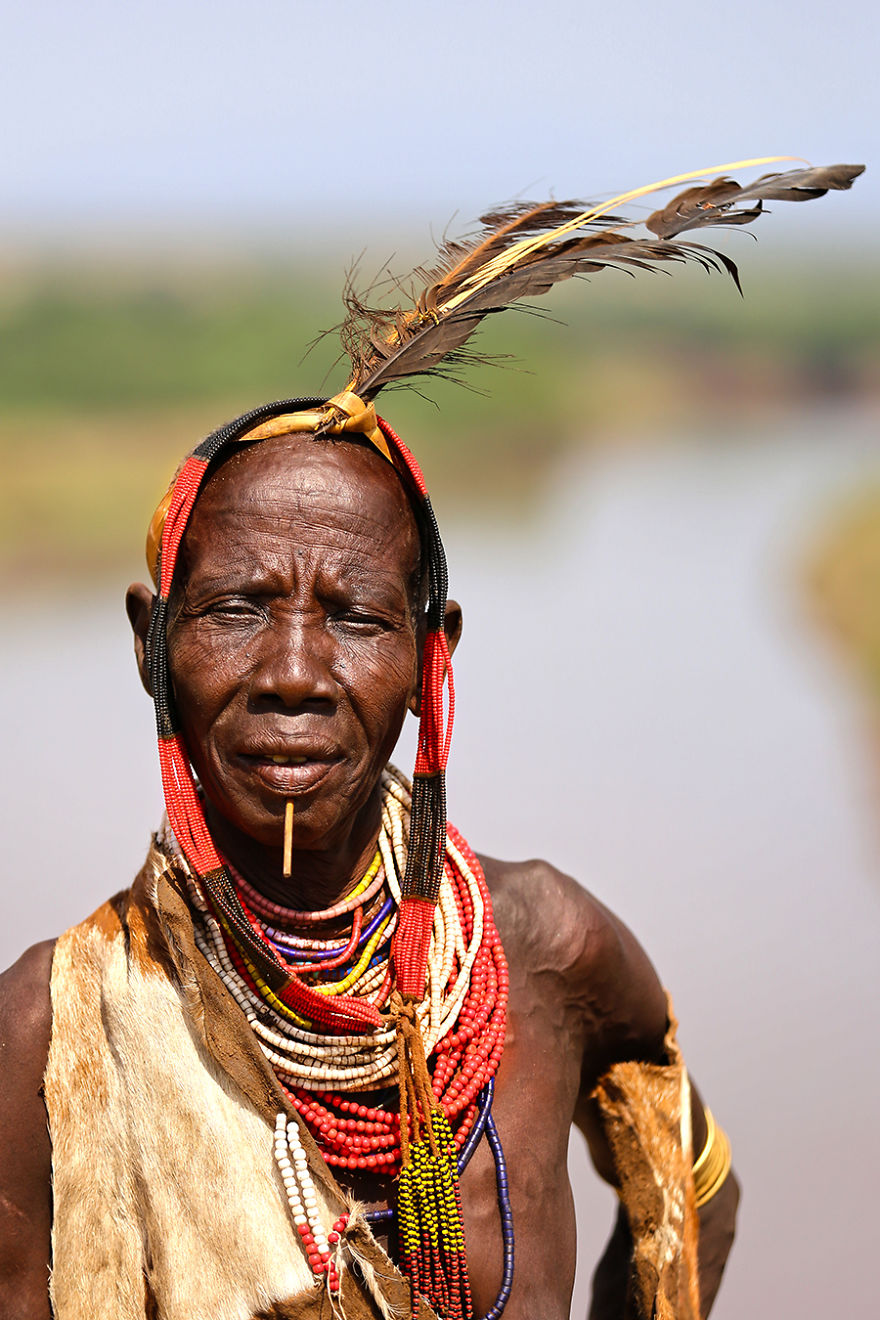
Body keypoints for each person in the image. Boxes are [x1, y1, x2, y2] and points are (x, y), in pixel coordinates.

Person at [0, 159, 863, 1320]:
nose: (295, 675)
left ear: (430, 657)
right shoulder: (50, 1034)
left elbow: (692, 1201)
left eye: (355, 617)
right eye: (236, 608)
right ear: (149, 643)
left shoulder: (547, 949)